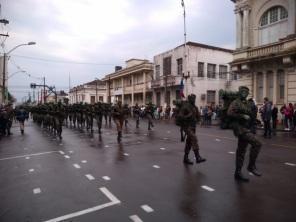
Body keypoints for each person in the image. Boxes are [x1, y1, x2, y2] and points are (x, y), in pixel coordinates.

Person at [227, 86, 262, 182]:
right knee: (257, 143)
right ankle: (251, 166)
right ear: (239, 92)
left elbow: (251, 114)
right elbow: (229, 113)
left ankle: (237, 173)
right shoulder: (236, 102)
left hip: (246, 128)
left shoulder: (247, 103)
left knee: (241, 152)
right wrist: (242, 116)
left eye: (246, 92)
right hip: (239, 129)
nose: (244, 93)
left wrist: (254, 119)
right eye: (242, 91)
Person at [177, 94, 206, 165]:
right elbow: (180, 116)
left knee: (189, 142)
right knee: (194, 138)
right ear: (189, 99)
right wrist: (188, 116)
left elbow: (198, 116)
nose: (194, 100)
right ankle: (197, 156)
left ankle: (185, 158)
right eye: (192, 99)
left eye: (194, 98)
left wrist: (200, 120)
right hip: (186, 126)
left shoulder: (195, 107)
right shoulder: (185, 107)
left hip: (193, 127)